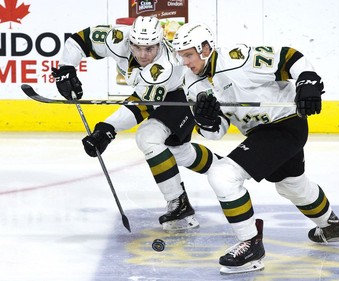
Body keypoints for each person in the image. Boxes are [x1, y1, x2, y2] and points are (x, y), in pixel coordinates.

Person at [172, 23, 339, 274]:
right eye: (180, 55)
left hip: (286, 124)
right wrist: (206, 121)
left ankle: (250, 245)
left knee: (222, 174)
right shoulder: (192, 83)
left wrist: (308, 80)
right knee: (292, 185)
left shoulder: (238, 58)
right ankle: (332, 227)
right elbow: (216, 132)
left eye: (188, 54)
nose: (184, 61)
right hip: (261, 133)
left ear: (205, 48)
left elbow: (289, 57)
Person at [51, 16, 220, 231]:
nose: (142, 54)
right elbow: (80, 40)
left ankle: (179, 202)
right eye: (137, 47)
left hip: (180, 95)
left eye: (149, 48)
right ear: (130, 40)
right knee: (179, 153)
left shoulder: (164, 67)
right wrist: (67, 68)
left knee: (148, 137)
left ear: (159, 43)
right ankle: (224, 167)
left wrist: (106, 129)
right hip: (156, 97)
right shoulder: (117, 38)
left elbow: (140, 106)